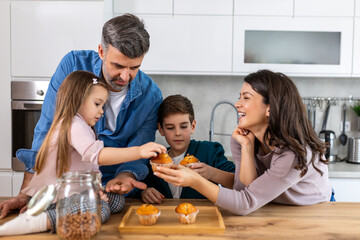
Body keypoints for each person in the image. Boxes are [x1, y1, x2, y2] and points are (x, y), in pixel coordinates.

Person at [0, 13, 162, 218]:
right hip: (64, 186)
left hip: (104, 187)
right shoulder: (73, 66)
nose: (125, 76)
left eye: (134, 68)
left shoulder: (151, 96)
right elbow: (47, 129)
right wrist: (28, 193)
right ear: (101, 51)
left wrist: (124, 176)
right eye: (118, 66)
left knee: (115, 204)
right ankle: (47, 219)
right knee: (93, 213)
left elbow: (137, 155)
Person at [0, 71, 166, 236]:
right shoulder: (72, 124)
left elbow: (83, 172)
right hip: (52, 199)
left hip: (68, 194)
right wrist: (139, 151)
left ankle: (73, 210)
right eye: (97, 104)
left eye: (103, 106)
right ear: (78, 100)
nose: (101, 111)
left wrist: (96, 191)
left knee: (116, 201)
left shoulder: (82, 126)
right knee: (97, 212)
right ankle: (42, 220)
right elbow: (98, 155)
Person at [154, 70, 333, 215]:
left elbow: (245, 202)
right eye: (239, 96)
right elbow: (244, 189)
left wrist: (195, 181)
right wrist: (246, 148)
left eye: (246, 98)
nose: (237, 104)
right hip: (273, 207)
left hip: (313, 211)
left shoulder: (291, 154)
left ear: (270, 108)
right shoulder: (243, 138)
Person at [140, 94, 235, 204]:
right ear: (161, 129)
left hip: (203, 217)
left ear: (193, 126)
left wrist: (212, 173)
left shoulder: (210, 151)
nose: (178, 133)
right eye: (170, 128)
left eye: (184, 126)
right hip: (166, 219)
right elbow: (138, 187)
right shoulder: (154, 160)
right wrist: (145, 192)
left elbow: (238, 183)